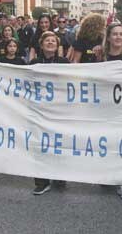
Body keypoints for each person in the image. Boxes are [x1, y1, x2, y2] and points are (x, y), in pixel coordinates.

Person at [29, 31, 69, 195]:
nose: (50, 43)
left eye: (53, 41)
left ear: (57, 45)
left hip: (59, 109)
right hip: (40, 109)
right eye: (47, 41)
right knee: (40, 143)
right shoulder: (35, 62)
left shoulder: (64, 62)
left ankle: (59, 175)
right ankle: (41, 181)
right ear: (41, 44)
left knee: (58, 142)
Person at [102, 23, 122, 199]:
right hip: (105, 107)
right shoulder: (101, 56)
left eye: (121, 34)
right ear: (109, 37)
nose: (118, 37)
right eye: (115, 34)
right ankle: (108, 175)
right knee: (108, 142)